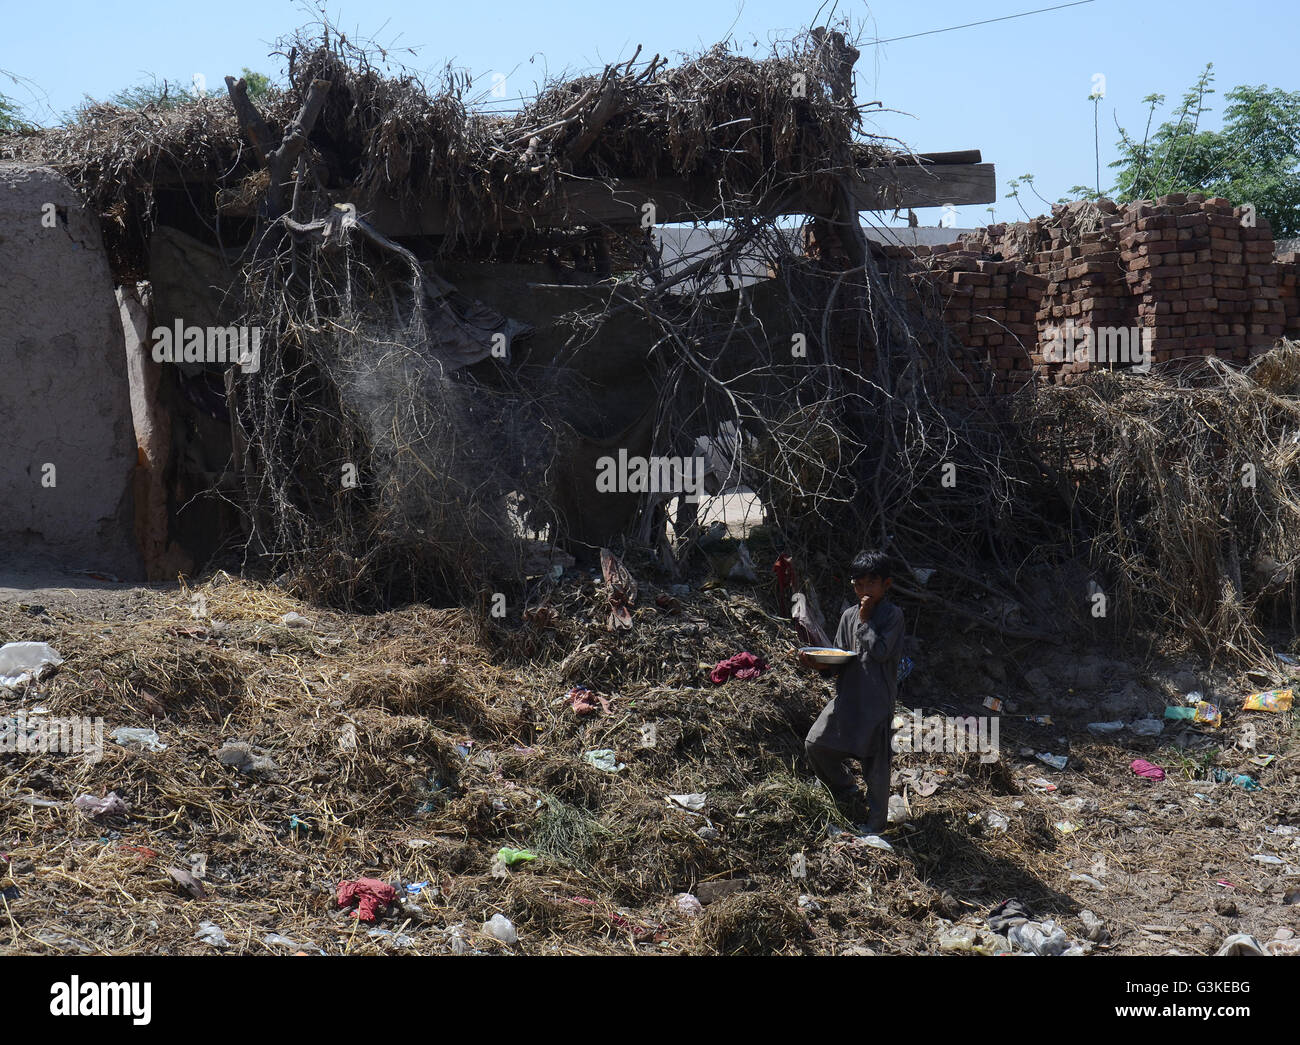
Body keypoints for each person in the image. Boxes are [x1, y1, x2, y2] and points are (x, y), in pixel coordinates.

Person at [800, 549, 905, 833]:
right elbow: (839, 657)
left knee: (876, 767)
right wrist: (817, 663)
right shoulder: (849, 616)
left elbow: (881, 652)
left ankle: (876, 822)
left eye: (871, 584)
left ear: (887, 585)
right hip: (848, 698)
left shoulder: (892, 616)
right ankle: (846, 789)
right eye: (859, 585)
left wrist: (867, 619)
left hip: (876, 703)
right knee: (816, 743)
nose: (864, 590)